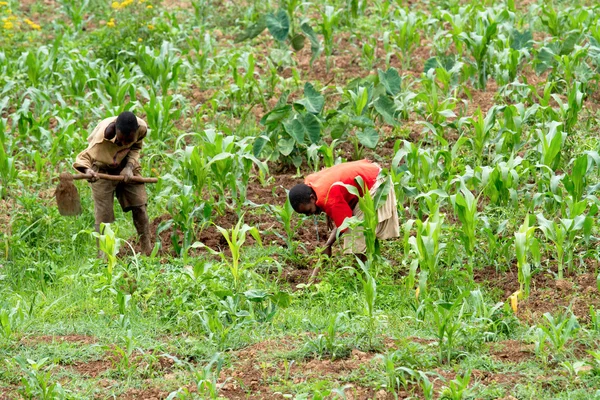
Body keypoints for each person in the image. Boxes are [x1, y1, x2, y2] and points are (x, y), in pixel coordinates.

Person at [73, 111, 152, 255]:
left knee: (140, 205)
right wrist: (87, 171)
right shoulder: (100, 139)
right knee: (103, 216)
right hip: (101, 169)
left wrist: (129, 167)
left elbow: (135, 147)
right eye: (122, 140)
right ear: (115, 131)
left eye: (129, 140)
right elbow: (83, 158)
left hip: (126, 164)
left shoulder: (141, 128)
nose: (125, 144)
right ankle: (103, 257)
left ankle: (147, 250)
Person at [288, 159, 400, 258]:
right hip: (368, 170)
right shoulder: (310, 183)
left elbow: (345, 223)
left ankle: (360, 272)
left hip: (376, 182)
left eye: (308, 211)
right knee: (357, 231)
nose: (310, 215)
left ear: (312, 197)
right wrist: (328, 211)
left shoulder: (330, 199)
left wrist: (328, 246)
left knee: (356, 232)